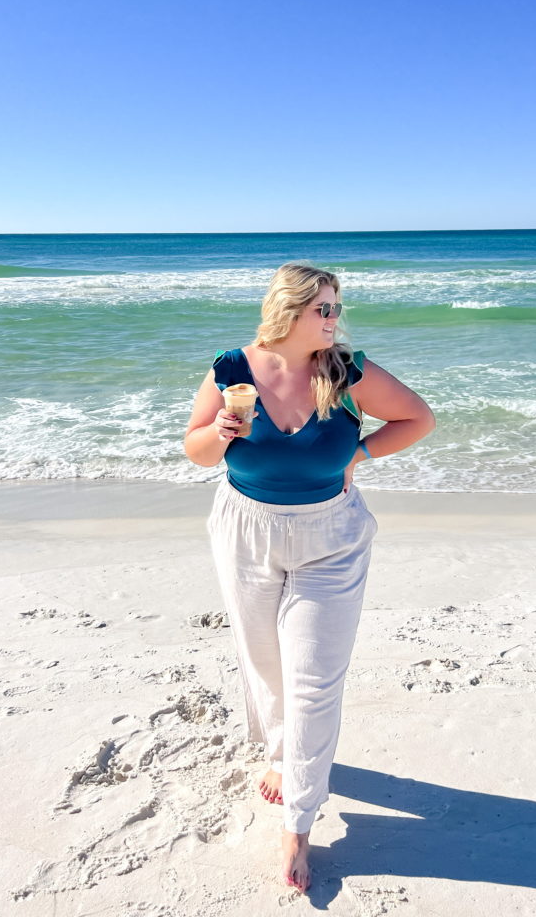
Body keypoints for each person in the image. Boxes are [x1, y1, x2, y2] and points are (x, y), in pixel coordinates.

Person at [183, 262, 435, 891]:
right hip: (245, 529)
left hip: (332, 537)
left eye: (335, 307)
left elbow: (419, 419)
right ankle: (279, 753)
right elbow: (194, 448)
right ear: (288, 310)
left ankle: (298, 820)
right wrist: (220, 431)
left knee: (315, 677)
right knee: (263, 661)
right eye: (323, 308)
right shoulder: (232, 370)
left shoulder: (345, 372)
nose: (333, 319)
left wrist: (360, 451)